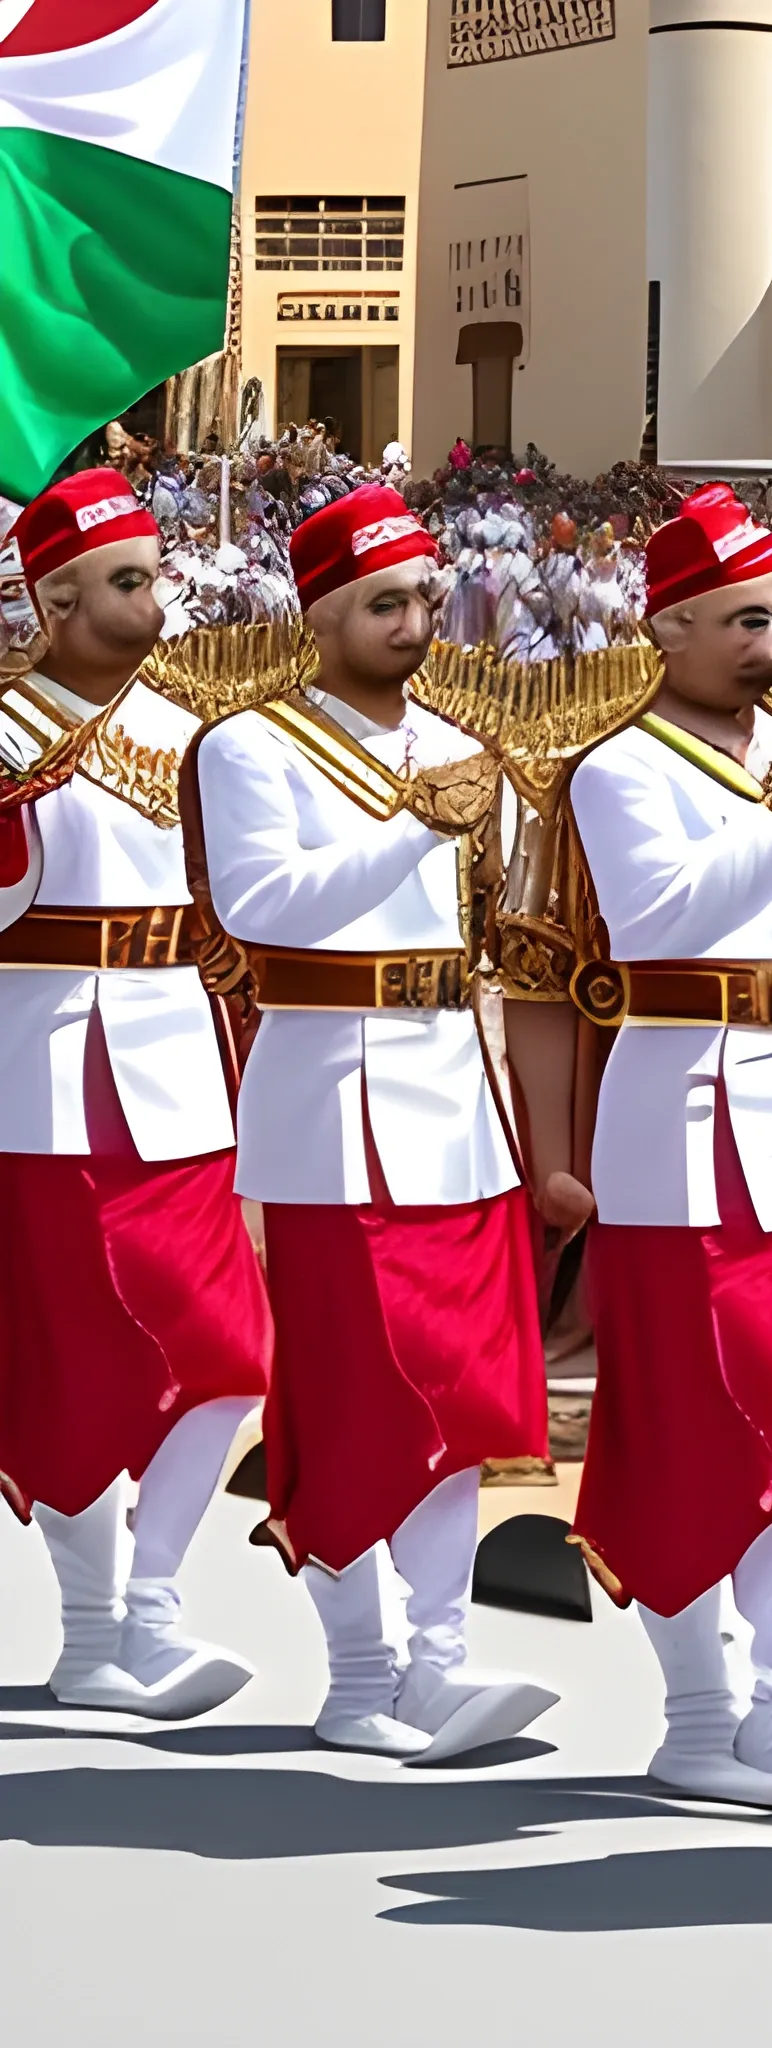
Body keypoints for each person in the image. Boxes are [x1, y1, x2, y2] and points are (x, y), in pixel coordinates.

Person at [555, 484, 772, 1803]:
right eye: (742, 621)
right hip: (680, 1114)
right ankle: (701, 1713)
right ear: (670, 628)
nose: (770, 643)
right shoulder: (619, 768)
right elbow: (655, 922)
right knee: (690, 1421)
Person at [190, 484, 555, 1761]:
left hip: (451, 1084)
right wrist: (414, 826)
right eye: (383, 602)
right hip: (330, 1091)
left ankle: (438, 1661)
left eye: (423, 601)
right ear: (320, 612)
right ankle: (358, 1675)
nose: (411, 624)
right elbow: (265, 905)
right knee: (352, 1391)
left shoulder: (453, 744)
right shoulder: (255, 745)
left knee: (456, 1389)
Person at [0, 471, 270, 1718]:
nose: (155, 595)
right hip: (46, 1075)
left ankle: (147, 1605)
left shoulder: (202, 730)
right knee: (69, 1366)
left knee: (228, 1355)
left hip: (175, 1071)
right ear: (52, 600)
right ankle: (95, 1631)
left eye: (156, 573)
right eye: (126, 579)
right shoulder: (6, 733)